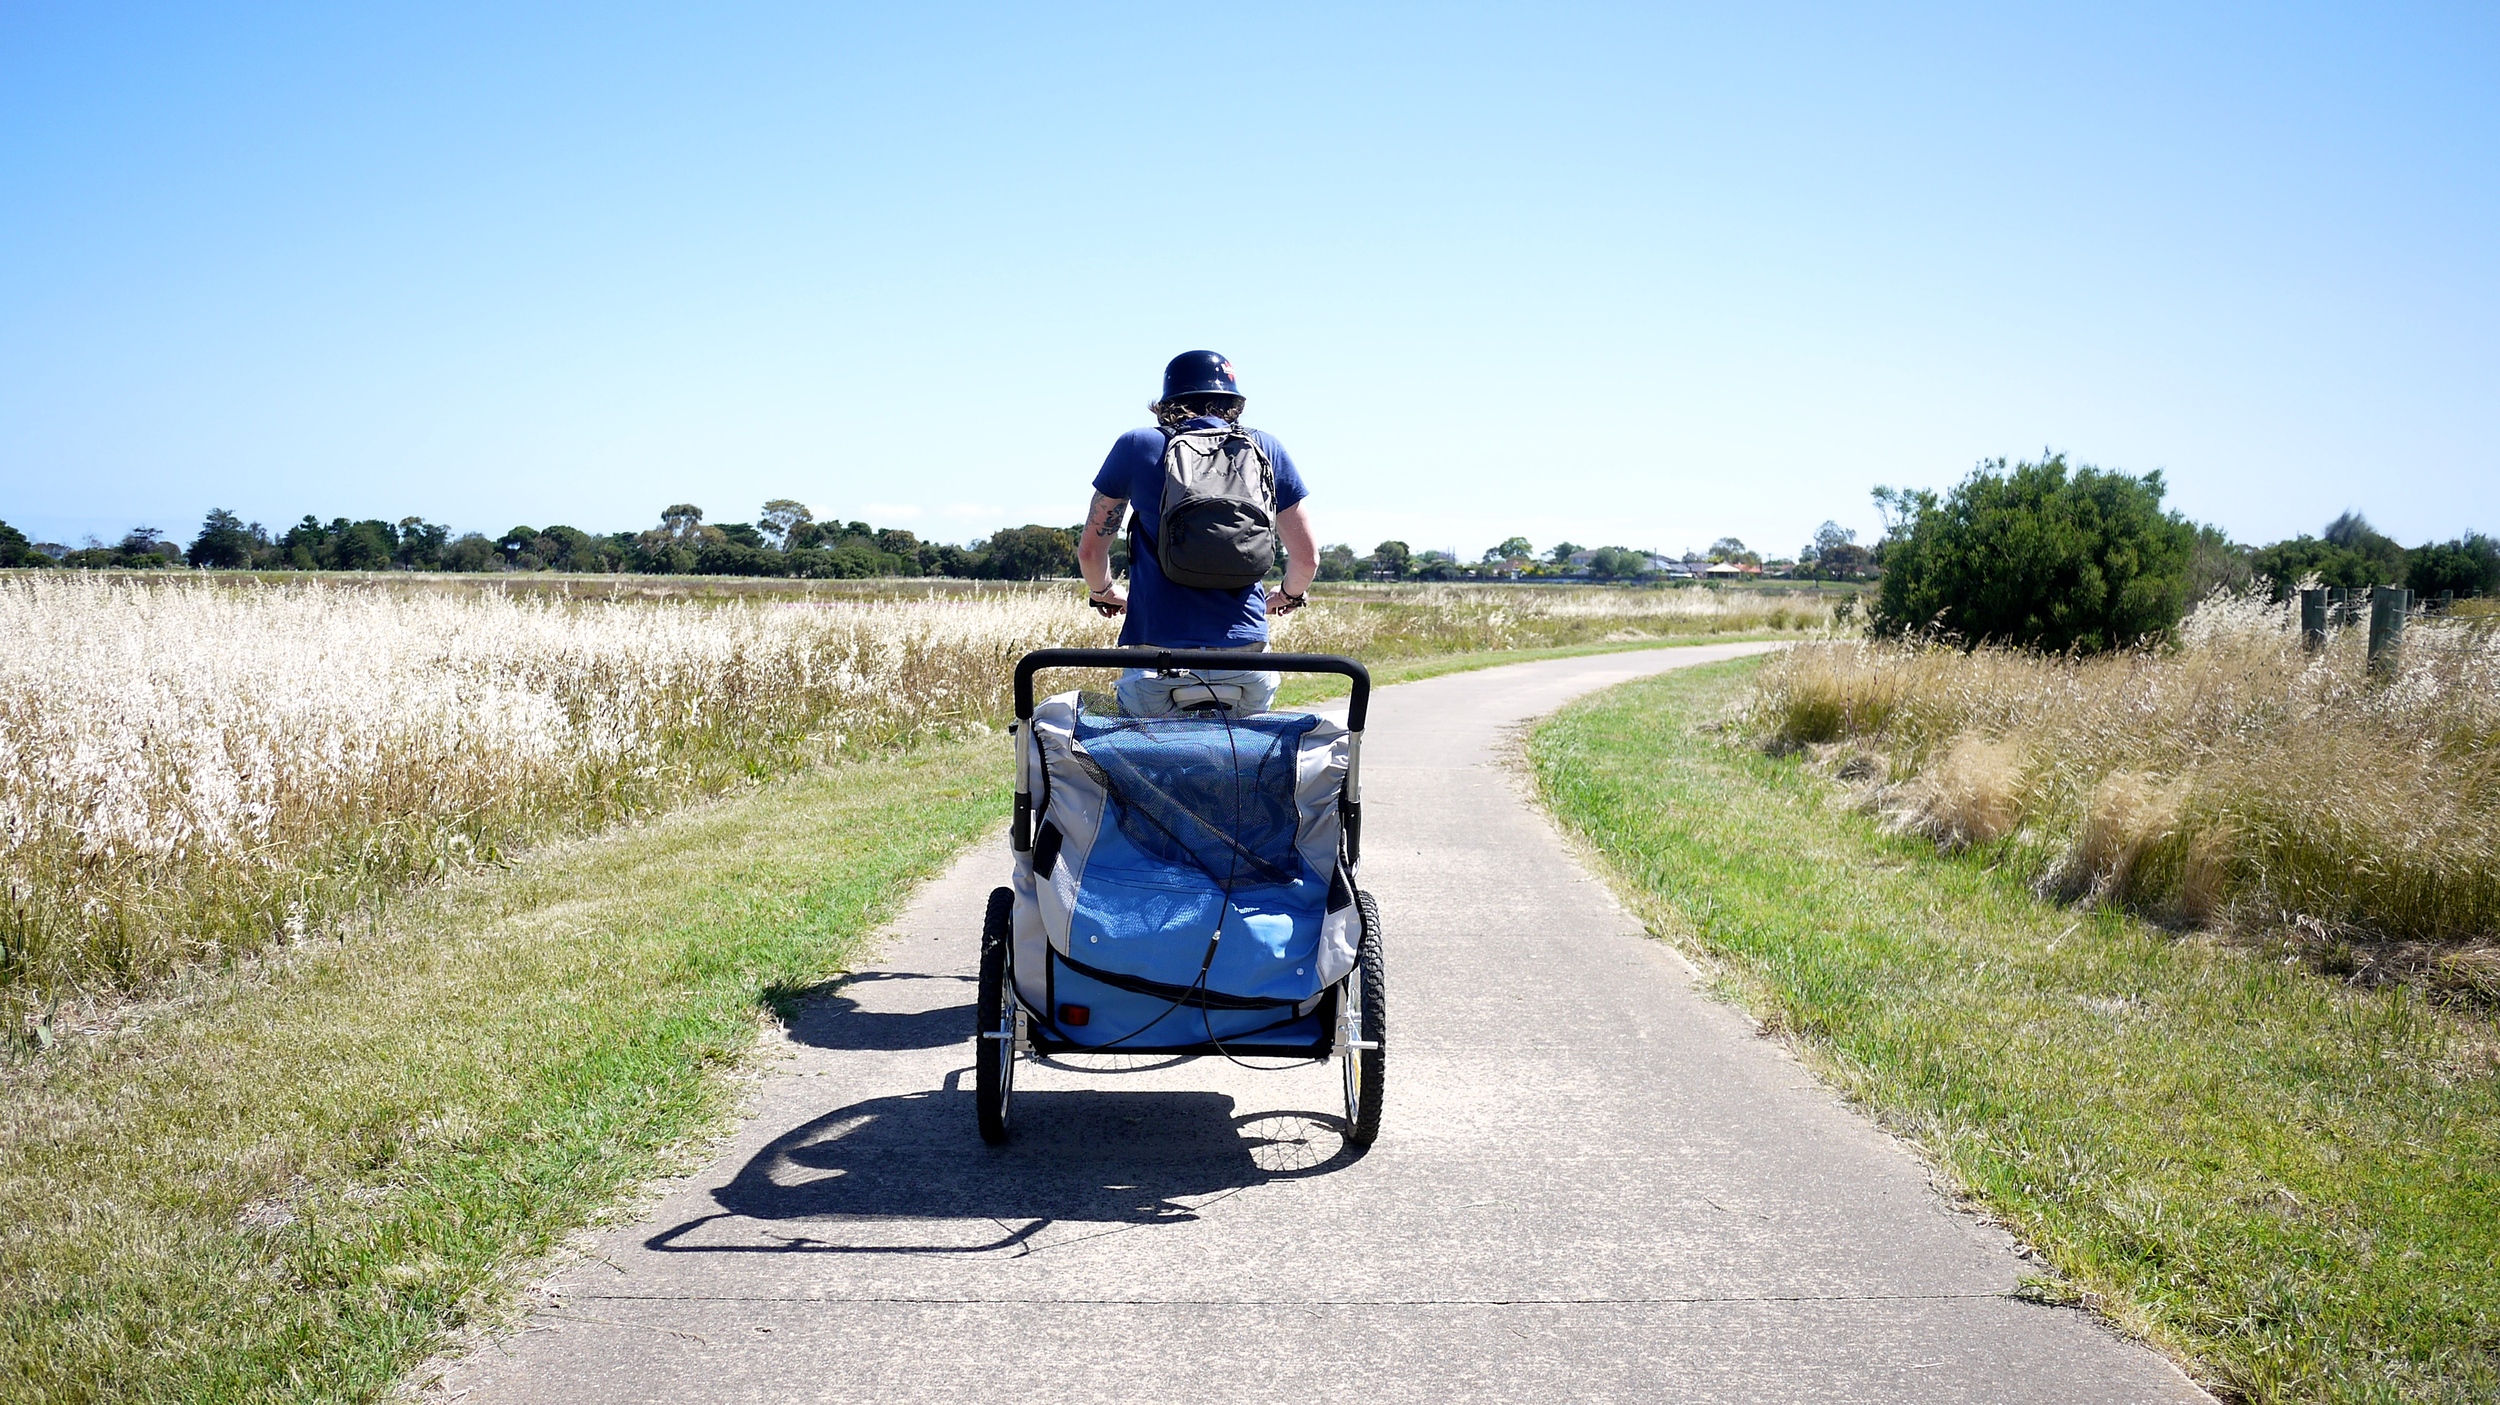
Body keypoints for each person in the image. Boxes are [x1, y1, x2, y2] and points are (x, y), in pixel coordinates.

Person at [1078, 350, 1318, 715]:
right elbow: (1307, 559)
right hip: (1244, 660)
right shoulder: (1265, 447)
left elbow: (1090, 552)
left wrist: (1104, 592)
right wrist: (1287, 595)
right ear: (1233, 402)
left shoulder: (1138, 445)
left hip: (1156, 659)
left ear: (1167, 401)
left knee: (1144, 762)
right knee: (1243, 763)